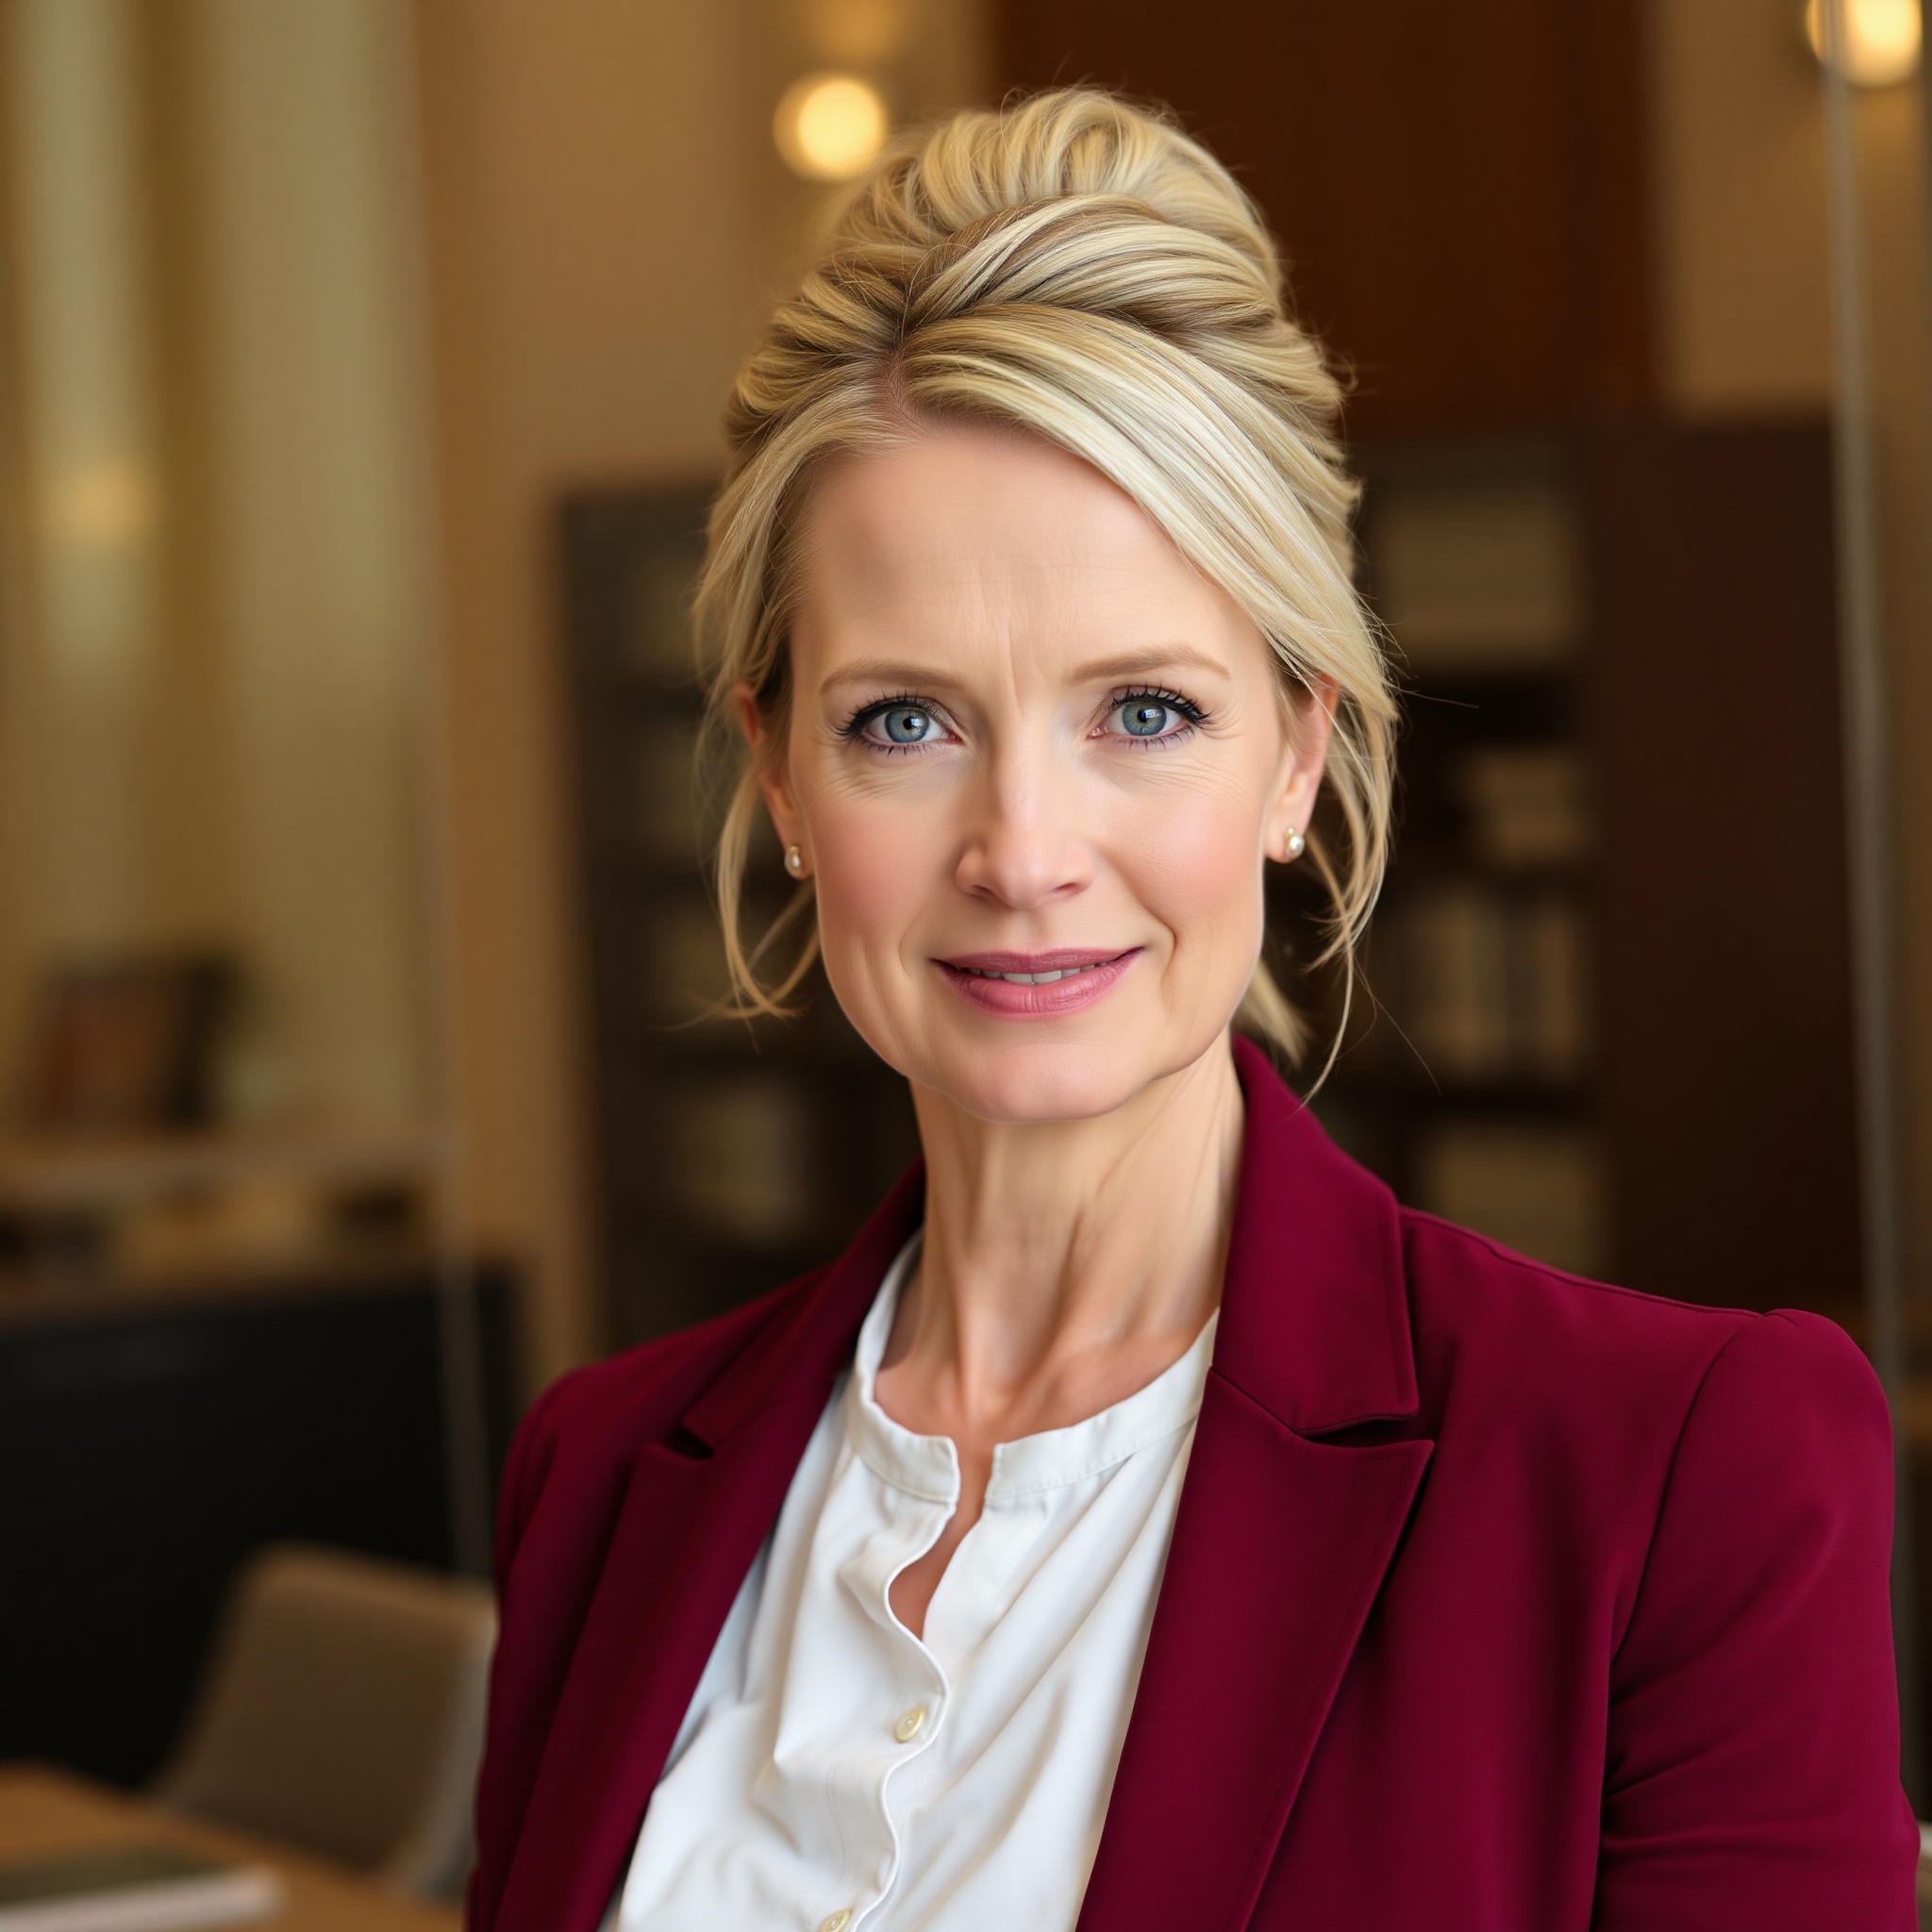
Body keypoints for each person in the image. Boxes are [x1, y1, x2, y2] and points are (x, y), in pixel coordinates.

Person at [468, 90, 1917, 1932]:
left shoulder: (1676, 1474)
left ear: (1298, 754)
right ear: (776, 779)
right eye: (903, 721)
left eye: (1141, 710)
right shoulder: (598, 1473)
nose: (1024, 847)